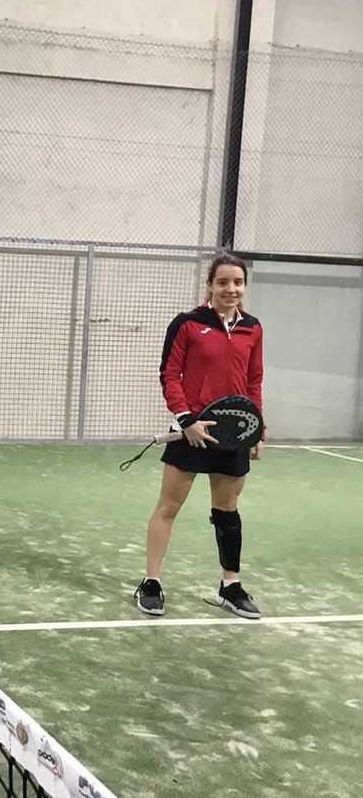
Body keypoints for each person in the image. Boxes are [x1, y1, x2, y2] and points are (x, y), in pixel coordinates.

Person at [134, 252, 264, 619]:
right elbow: (169, 374)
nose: (231, 289)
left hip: (234, 436)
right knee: (169, 507)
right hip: (191, 432)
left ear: (244, 286)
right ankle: (151, 582)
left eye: (237, 282)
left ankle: (230, 587)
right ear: (210, 285)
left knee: (228, 512)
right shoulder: (188, 323)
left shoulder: (253, 328)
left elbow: (254, 381)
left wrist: (257, 431)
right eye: (223, 282)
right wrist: (187, 420)